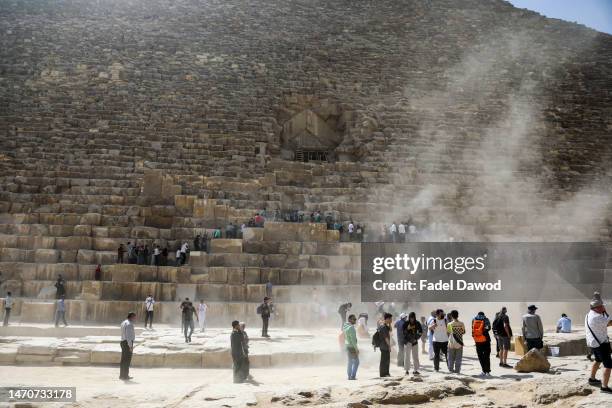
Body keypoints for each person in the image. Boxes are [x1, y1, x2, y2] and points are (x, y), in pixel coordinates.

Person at [586, 292, 612, 393]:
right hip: (601, 344)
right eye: (601, 307)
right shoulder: (598, 317)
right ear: (596, 308)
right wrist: (605, 312)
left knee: (597, 360)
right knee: (608, 365)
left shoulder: (588, 315)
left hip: (594, 343)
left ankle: (592, 379)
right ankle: (604, 387)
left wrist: (604, 312)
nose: (603, 308)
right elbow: (610, 322)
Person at [472, 311, 492, 376]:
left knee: (480, 356)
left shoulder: (474, 319)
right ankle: (488, 372)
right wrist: (483, 330)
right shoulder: (486, 319)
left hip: (477, 340)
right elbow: (489, 328)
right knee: (487, 356)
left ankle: (483, 371)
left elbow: (473, 329)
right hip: (486, 339)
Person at [119, 312, 136, 380]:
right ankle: (125, 376)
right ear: (131, 317)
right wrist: (130, 346)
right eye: (134, 317)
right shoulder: (129, 324)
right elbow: (128, 336)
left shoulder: (123, 322)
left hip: (123, 342)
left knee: (123, 360)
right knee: (127, 360)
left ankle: (122, 375)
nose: (135, 319)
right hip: (127, 343)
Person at [343, 314, 359, 380]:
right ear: (349, 319)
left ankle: (349, 376)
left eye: (355, 319)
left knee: (350, 362)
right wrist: (356, 349)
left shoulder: (345, 326)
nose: (355, 320)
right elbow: (353, 340)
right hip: (352, 347)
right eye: (354, 319)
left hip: (347, 346)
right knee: (357, 362)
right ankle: (352, 376)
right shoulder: (351, 328)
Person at [378, 313, 393, 377]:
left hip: (384, 346)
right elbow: (386, 338)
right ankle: (383, 374)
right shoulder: (383, 327)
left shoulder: (385, 325)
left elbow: (390, 330)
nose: (391, 320)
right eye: (390, 319)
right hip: (384, 346)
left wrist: (389, 323)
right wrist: (389, 346)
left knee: (386, 360)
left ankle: (386, 373)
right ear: (387, 319)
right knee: (384, 360)